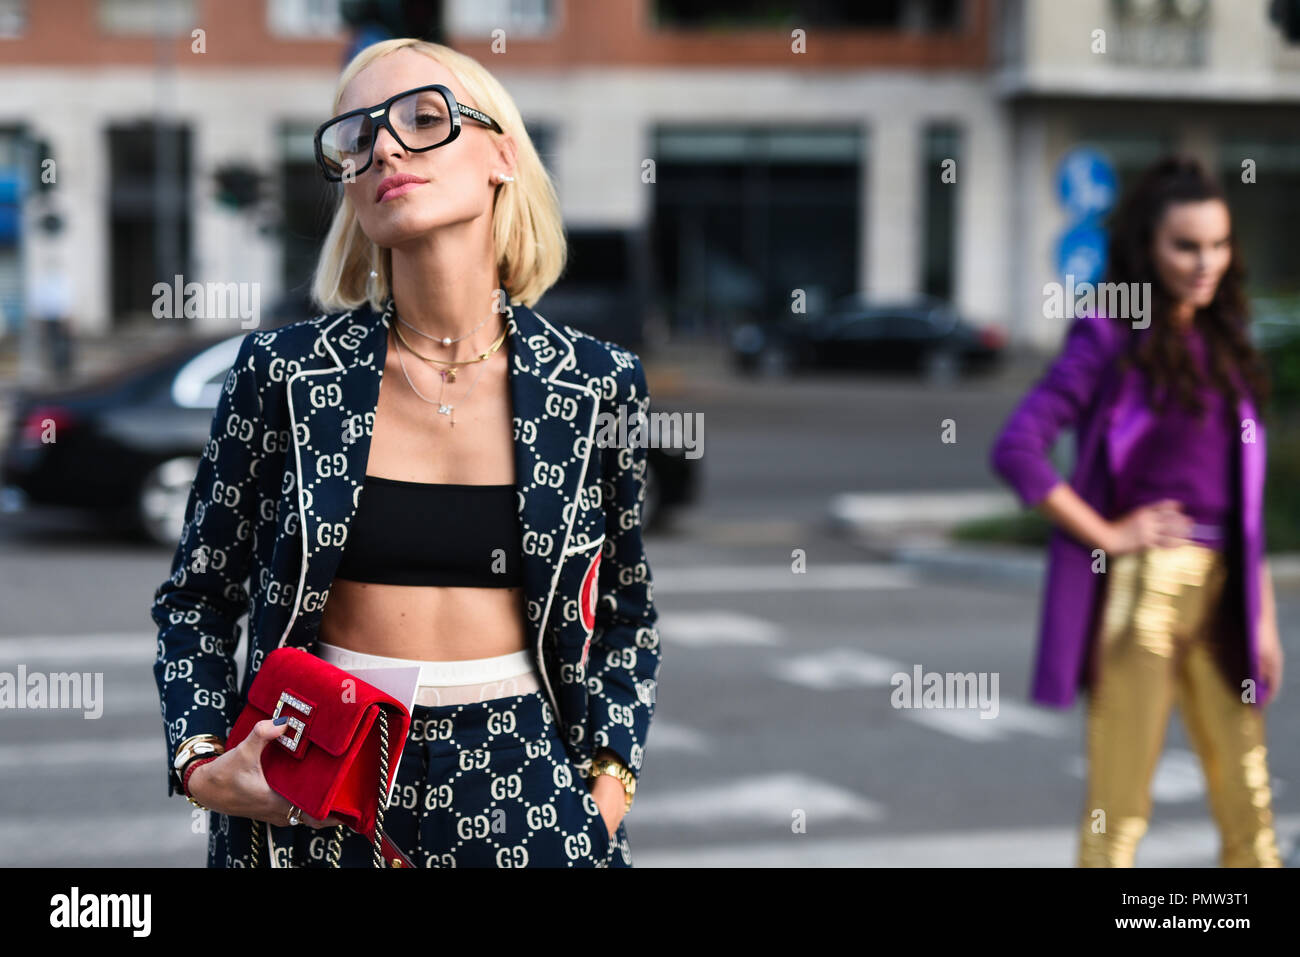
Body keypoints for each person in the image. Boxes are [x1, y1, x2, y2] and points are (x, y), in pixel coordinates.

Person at [152, 38, 661, 867]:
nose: (383, 145)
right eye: (355, 138)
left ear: (502, 153)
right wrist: (203, 761)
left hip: (526, 780)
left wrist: (605, 787)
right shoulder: (284, 375)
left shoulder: (597, 384)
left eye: (424, 118)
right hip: (323, 774)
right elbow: (197, 599)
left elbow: (628, 613)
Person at [989, 155, 1282, 867]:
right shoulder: (1110, 335)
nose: (1204, 262)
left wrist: (1265, 614)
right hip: (1142, 593)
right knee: (1119, 810)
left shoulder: (1228, 345)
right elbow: (1018, 447)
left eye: (1217, 244)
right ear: (1147, 248)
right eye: (1185, 245)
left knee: (1251, 808)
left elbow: (1246, 502)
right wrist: (1109, 534)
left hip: (1225, 595)